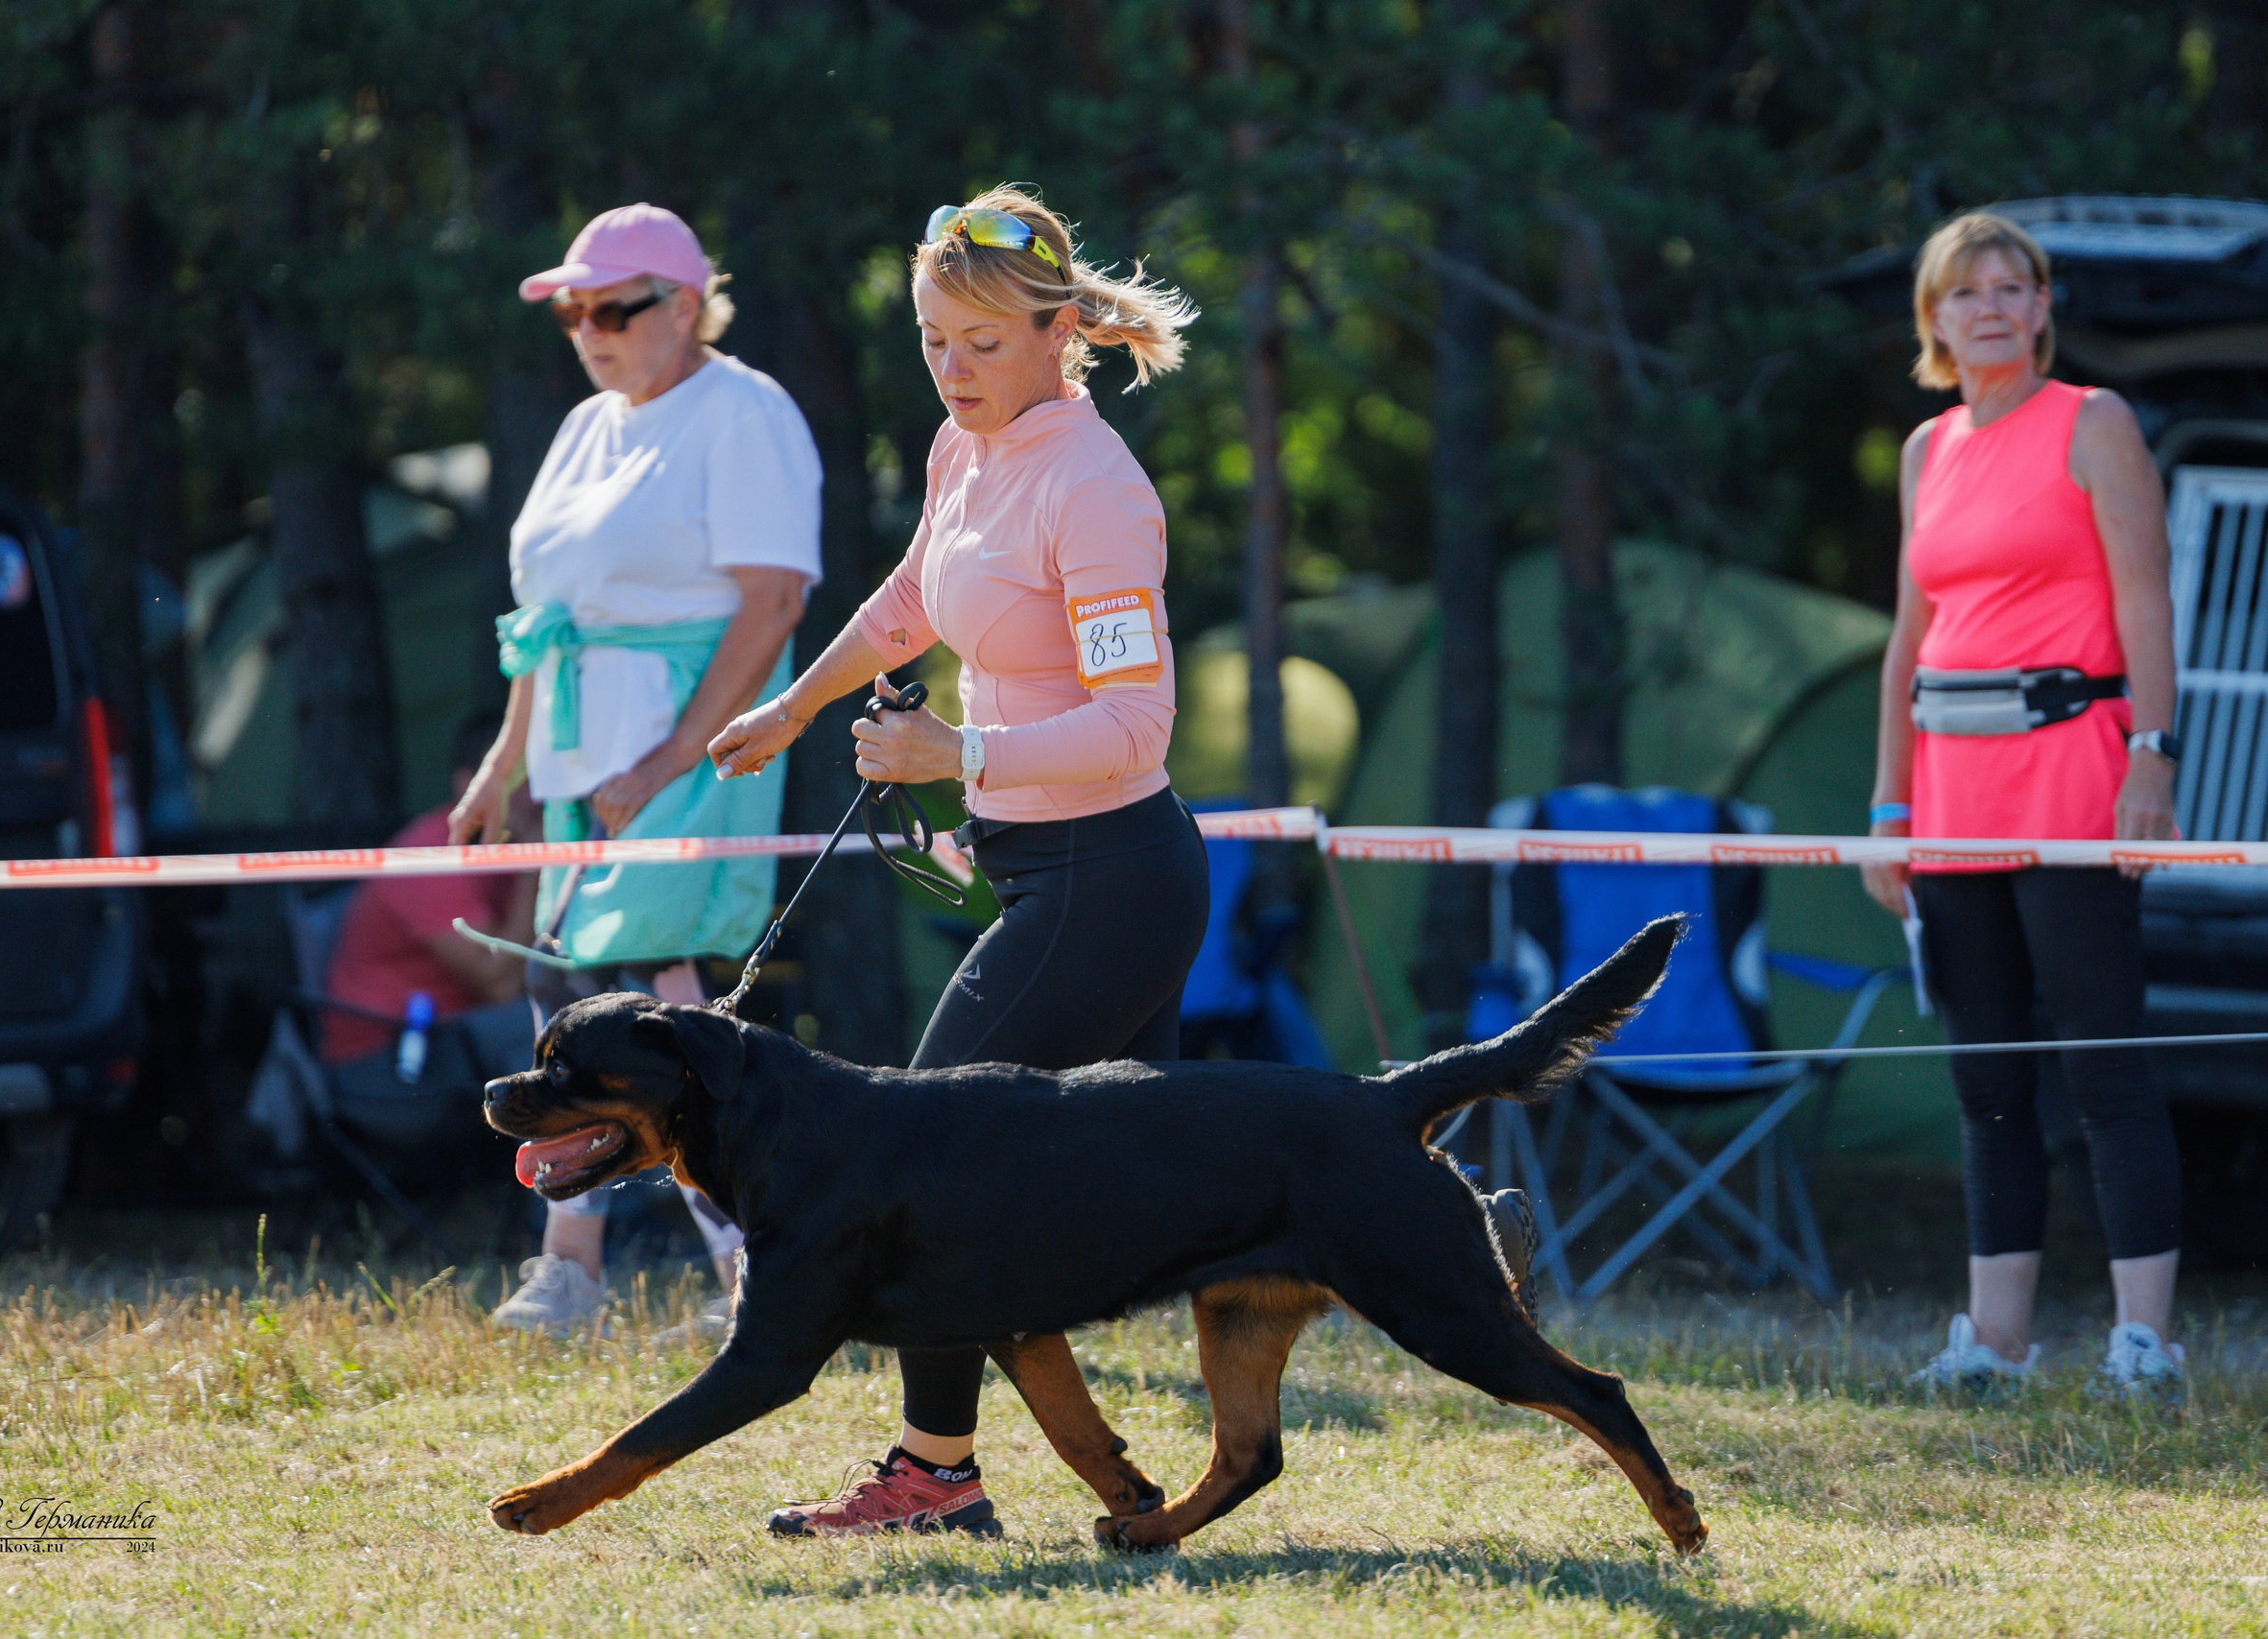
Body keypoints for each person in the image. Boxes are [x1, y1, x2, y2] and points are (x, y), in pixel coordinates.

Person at [711, 184, 1536, 1539]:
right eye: (933, 340)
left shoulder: (1098, 492)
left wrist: (953, 755)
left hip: (1113, 877)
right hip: (1046, 872)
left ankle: (936, 1475)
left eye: (982, 343)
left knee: (925, 1153)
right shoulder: (963, 449)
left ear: (1059, 332)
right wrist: (794, 710)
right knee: (1108, 1199)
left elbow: (1132, 728)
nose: (954, 369)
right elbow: (915, 595)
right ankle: (1107, 1470)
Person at [450, 202, 821, 1335]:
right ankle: (574, 1266)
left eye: (613, 306)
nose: (589, 329)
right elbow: (541, 622)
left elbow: (773, 603)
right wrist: (502, 764)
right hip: (579, 743)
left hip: (690, 735)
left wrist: (668, 757)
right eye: (572, 309)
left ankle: (753, 1267)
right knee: (564, 978)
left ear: (685, 303)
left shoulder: (745, 411)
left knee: (656, 986)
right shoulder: (582, 427)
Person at [1860, 212, 2184, 1396]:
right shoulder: (1924, 449)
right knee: (1986, 1076)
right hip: (1949, 789)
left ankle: (2144, 1341)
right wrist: (1889, 809)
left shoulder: (2092, 424)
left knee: (2103, 1064)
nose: (1991, 306)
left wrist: (2151, 758)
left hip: (2072, 771)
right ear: (1934, 321)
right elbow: (1910, 640)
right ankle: (1991, 1343)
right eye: (1966, 291)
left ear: (2043, 307)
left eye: (2014, 286)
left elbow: (2146, 601)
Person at [318, 711, 537, 1087]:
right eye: (518, 780)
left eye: (541, 779)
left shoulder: (509, 844)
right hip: (386, 1062)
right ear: (469, 784)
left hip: (454, 1036)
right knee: (552, 1026)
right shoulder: (429, 855)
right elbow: (500, 985)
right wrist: (538, 863)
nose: (535, 797)